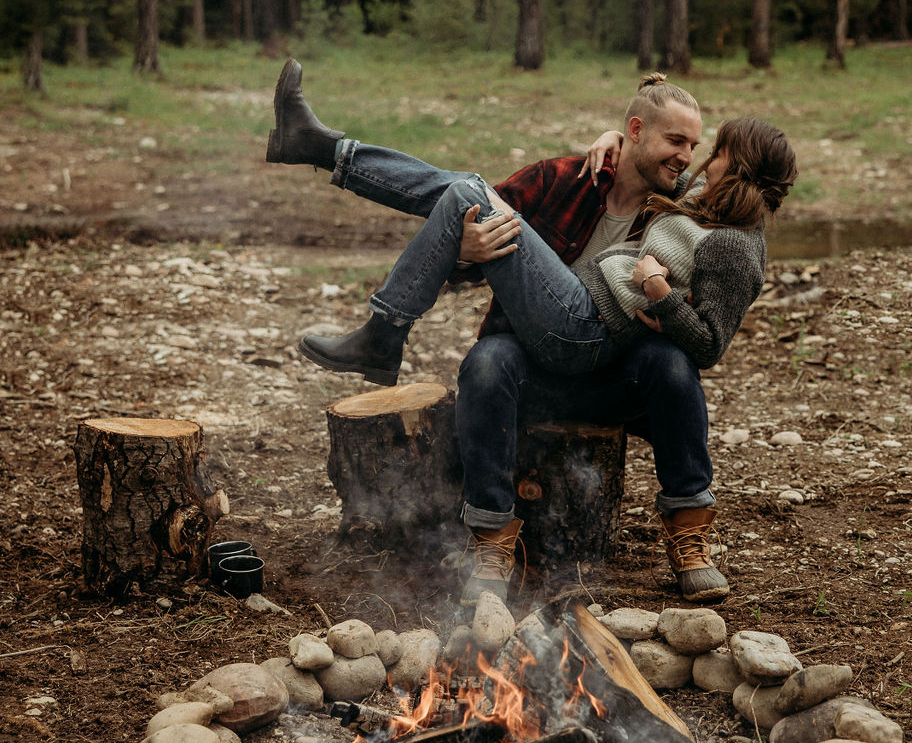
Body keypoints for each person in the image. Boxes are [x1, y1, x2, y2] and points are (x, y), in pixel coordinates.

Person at [266, 62, 794, 605]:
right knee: (477, 294)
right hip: (535, 357)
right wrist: (466, 254)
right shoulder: (567, 178)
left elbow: (728, 249)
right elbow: (458, 216)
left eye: (698, 147)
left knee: (672, 364)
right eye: (676, 142)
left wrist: (661, 288)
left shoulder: (686, 198)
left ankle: (689, 533)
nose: (689, 158)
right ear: (635, 134)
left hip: (610, 364)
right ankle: (491, 536)